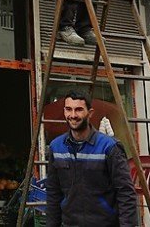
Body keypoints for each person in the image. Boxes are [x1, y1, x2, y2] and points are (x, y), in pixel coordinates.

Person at [46, 91, 138, 227]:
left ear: (90, 113)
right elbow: (54, 193)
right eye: (68, 109)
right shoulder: (56, 147)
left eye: (78, 110)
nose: (72, 115)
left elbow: (126, 192)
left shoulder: (109, 147)